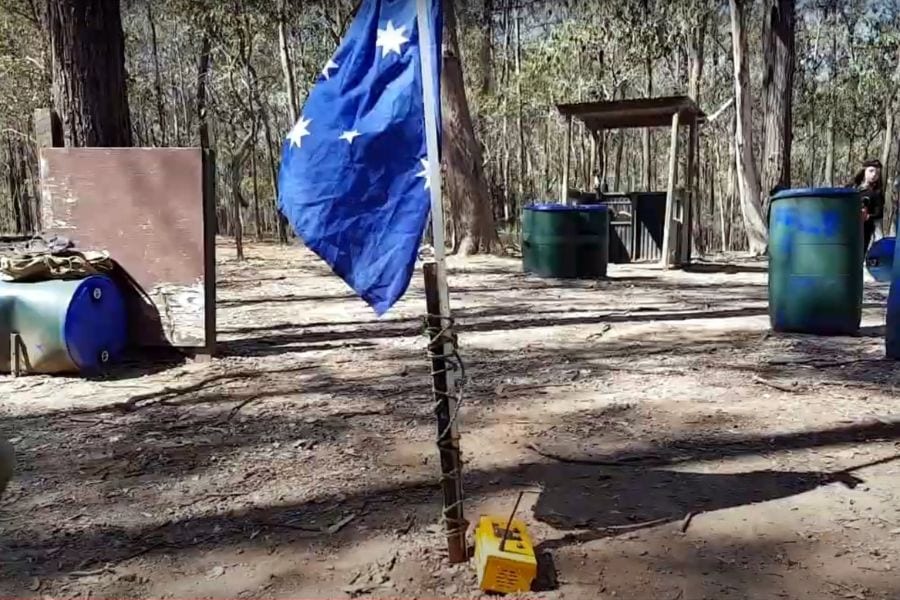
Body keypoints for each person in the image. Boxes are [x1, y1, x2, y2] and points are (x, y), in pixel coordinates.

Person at [850, 158, 885, 253]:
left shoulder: (876, 193)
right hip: (847, 227)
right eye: (871, 171)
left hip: (864, 230)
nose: (874, 175)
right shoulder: (852, 187)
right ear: (864, 170)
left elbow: (879, 213)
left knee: (858, 255)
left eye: (877, 173)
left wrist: (868, 216)